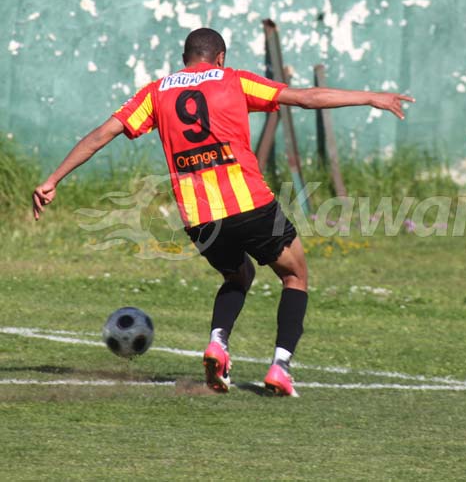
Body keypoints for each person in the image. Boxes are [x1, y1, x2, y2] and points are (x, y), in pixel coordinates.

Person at [32, 28, 414, 397]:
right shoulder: (234, 80)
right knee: (295, 276)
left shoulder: (155, 92)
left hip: (199, 218)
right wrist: (369, 97)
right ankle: (280, 365)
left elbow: (102, 134)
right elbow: (306, 97)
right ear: (220, 57)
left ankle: (218, 344)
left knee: (238, 275)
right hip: (249, 203)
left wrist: (53, 179)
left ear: (184, 60)